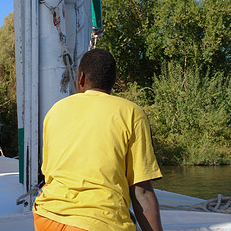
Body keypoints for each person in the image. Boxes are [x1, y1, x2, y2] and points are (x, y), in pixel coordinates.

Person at [33, 49, 163, 231]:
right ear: (112, 82)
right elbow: (141, 193)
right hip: (99, 223)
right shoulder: (131, 113)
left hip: (47, 217)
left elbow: (49, 176)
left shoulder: (55, 110)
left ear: (81, 78)